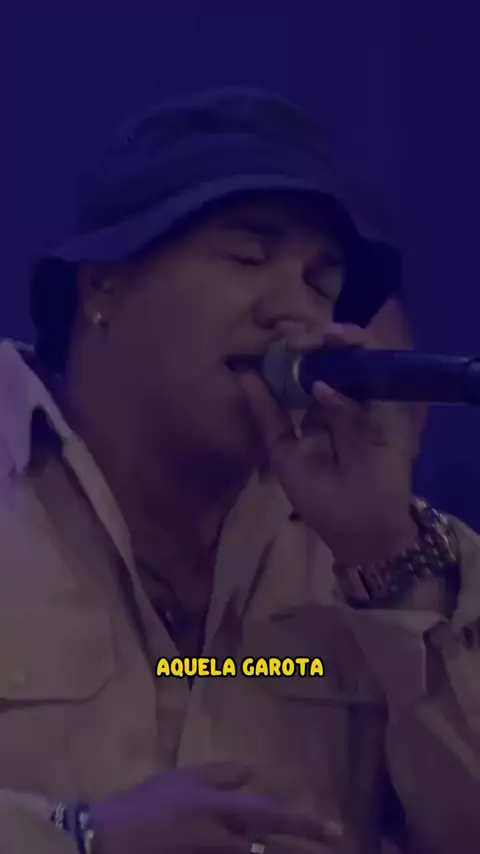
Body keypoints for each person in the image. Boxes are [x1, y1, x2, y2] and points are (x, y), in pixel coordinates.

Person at [0, 87, 478, 854]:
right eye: (247, 256)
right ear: (103, 281)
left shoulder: (397, 550)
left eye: (320, 285)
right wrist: (76, 840)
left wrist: (386, 557)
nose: (294, 311)